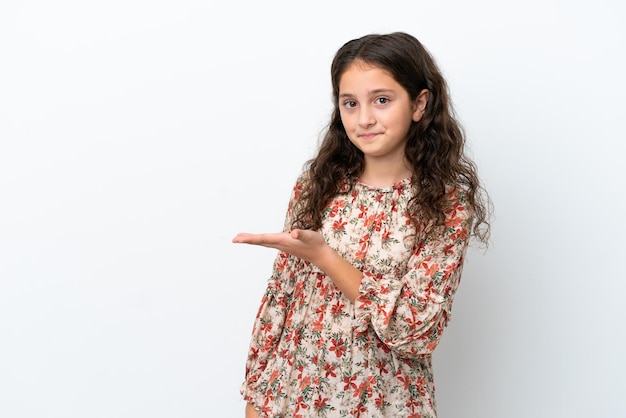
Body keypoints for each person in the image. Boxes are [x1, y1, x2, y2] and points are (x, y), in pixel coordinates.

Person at [232, 31, 491, 418]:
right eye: (350, 103)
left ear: (420, 103)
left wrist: (324, 256)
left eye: (382, 100)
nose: (364, 118)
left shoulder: (444, 205)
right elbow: (280, 299)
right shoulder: (316, 185)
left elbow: (415, 328)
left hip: (385, 403)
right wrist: (256, 400)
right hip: (293, 397)